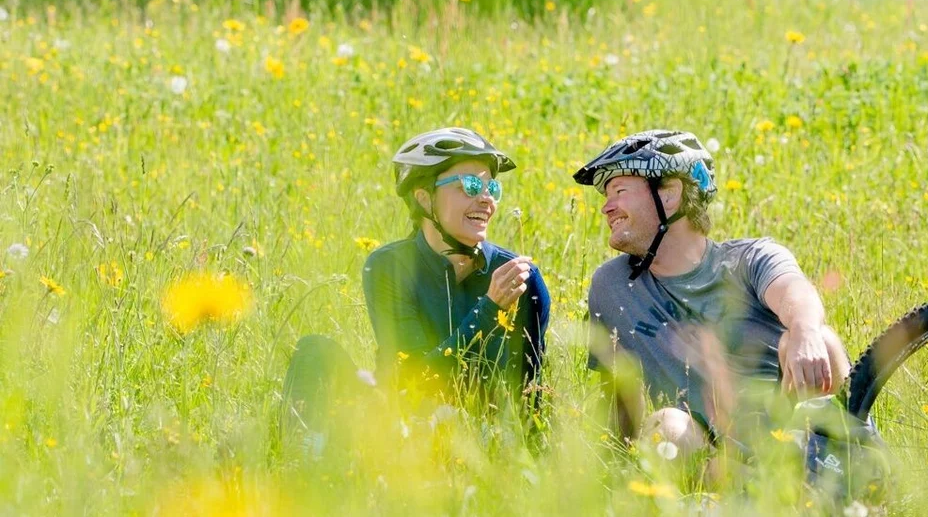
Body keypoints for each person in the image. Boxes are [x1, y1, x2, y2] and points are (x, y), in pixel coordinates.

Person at [574, 129, 851, 455]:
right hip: (709, 460)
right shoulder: (612, 285)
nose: (606, 208)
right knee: (667, 428)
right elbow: (618, 395)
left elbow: (794, 290)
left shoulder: (749, 258)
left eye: (619, 190)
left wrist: (804, 331)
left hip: (793, 443)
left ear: (669, 195)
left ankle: (853, 470)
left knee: (822, 339)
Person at [282, 128, 551, 450]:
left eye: (492, 187)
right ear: (424, 197)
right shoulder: (390, 267)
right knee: (315, 352)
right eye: (470, 185)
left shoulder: (520, 276)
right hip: (401, 423)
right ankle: (305, 468)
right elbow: (416, 382)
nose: (486, 198)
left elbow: (526, 388)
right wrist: (490, 309)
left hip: (479, 435)